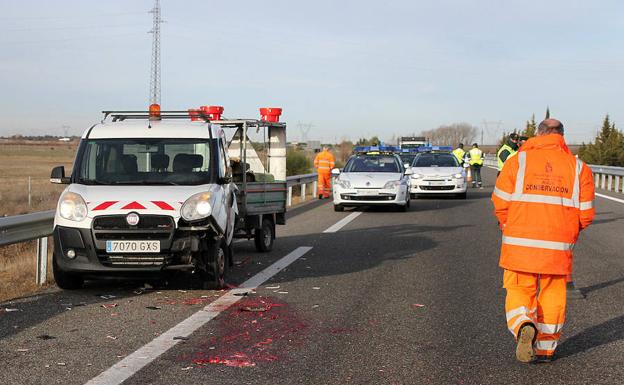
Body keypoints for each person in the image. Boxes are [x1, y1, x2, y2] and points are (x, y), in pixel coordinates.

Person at [491, 119, 595, 363]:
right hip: (557, 247)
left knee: (518, 289)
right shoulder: (578, 168)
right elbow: (587, 214)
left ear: (538, 134)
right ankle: (545, 350)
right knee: (553, 294)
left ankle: (523, 324)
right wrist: (569, 231)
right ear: (562, 136)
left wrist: (508, 225)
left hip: (519, 244)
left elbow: (499, 201)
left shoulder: (518, 161)